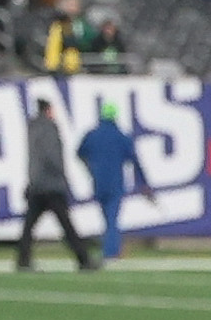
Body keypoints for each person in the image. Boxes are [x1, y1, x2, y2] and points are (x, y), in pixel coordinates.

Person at [17, 90, 93, 271]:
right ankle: (84, 259)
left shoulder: (32, 128)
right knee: (67, 225)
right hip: (51, 185)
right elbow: (53, 156)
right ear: (48, 110)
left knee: (29, 227)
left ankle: (23, 260)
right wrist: (63, 178)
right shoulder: (49, 128)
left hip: (36, 185)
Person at [75, 103, 142, 266]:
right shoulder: (121, 136)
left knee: (106, 218)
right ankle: (111, 251)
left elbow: (79, 153)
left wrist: (90, 169)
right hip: (115, 183)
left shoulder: (92, 135)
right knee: (112, 219)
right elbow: (134, 160)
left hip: (98, 182)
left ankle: (110, 247)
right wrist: (143, 182)